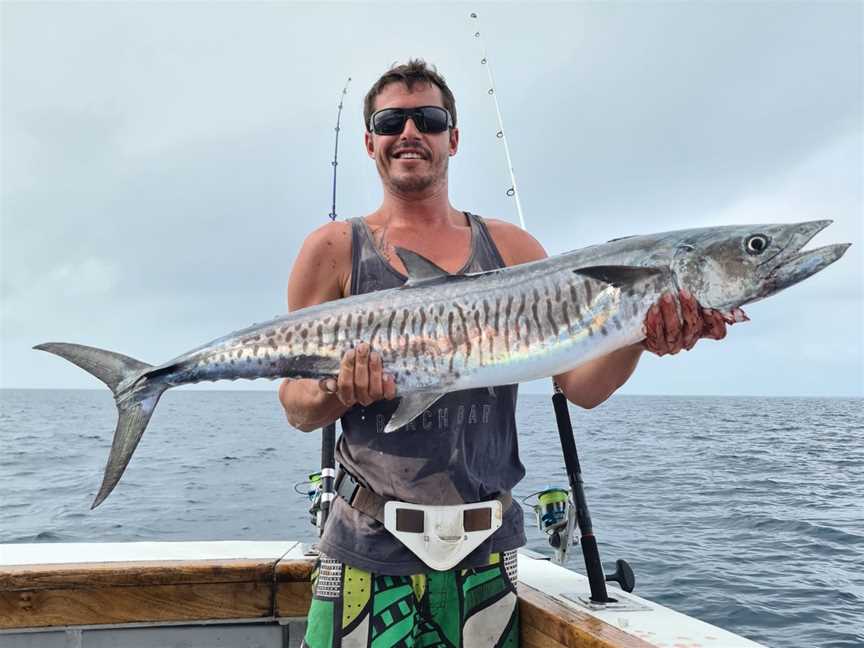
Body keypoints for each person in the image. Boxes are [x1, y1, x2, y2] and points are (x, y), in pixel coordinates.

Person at [279, 59, 728, 648]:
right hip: (365, 550)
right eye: (391, 120)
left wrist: (641, 335)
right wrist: (339, 387)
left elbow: (583, 388)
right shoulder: (334, 248)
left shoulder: (513, 247)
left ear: (453, 138)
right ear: (370, 142)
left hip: (485, 555)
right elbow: (296, 406)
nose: (409, 132)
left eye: (428, 119)